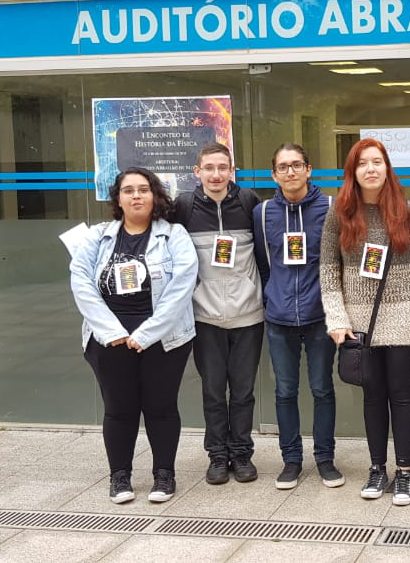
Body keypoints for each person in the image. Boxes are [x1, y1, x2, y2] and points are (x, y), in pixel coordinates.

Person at [69, 167, 198, 504]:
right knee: (118, 409)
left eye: (143, 189)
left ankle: (164, 476)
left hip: (163, 339)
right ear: (118, 199)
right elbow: (80, 281)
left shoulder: (174, 236)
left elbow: (182, 288)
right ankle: (120, 477)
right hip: (108, 340)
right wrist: (110, 331)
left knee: (161, 407)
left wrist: (147, 333)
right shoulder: (98, 237)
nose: (136, 196)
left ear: (155, 195)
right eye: (129, 190)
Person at [320, 137, 410, 506]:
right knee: (372, 396)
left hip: (404, 315)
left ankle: (404, 472)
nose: (371, 168)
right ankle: (376, 468)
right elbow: (328, 271)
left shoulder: (409, 210)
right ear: (352, 172)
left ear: (388, 168)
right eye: (362, 163)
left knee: (401, 394)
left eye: (377, 161)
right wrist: (337, 319)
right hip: (359, 321)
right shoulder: (338, 213)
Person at [172, 142, 267, 486]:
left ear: (232, 171)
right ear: (197, 172)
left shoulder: (249, 203)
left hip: (248, 314)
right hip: (204, 315)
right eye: (208, 168)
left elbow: (264, 254)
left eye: (222, 167)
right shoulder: (183, 207)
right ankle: (217, 455)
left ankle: (241, 454)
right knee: (213, 391)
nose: (216, 174)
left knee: (242, 391)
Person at [253, 142, 344, 490]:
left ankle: (325, 458)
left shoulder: (332, 208)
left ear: (309, 170)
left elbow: (339, 260)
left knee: (322, 389)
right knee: (284, 391)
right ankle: (291, 460)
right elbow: (265, 263)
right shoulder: (263, 214)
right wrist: (271, 296)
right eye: (283, 167)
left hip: (320, 315)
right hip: (278, 319)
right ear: (273, 174)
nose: (290, 172)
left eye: (297, 165)